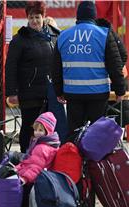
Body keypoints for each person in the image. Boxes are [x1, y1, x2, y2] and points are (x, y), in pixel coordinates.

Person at [52, 1, 126, 137]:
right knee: (97, 133)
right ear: (94, 16)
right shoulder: (104, 34)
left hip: (72, 93)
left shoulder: (63, 36)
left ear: (78, 16)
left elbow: (56, 67)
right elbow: (115, 65)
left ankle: (74, 156)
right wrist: (120, 90)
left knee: (75, 131)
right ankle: (94, 158)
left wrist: (58, 91)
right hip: (98, 93)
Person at [5, 1, 64, 152]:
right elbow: (11, 67)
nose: (34, 21)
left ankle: (47, 156)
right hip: (29, 92)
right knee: (30, 126)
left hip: (51, 92)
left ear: (43, 17)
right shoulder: (20, 40)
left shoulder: (54, 36)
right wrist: (12, 93)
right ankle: (26, 156)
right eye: (31, 17)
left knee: (50, 127)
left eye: (37, 17)